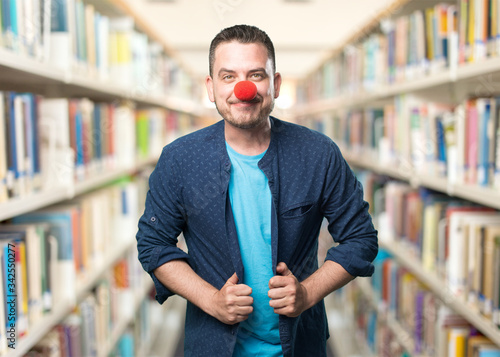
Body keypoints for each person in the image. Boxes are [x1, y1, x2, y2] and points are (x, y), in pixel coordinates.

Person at [136, 24, 378, 357]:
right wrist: (211, 300)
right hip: (213, 347)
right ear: (210, 88)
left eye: (256, 75)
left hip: (299, 347)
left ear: (275, 84)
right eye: (227, 76)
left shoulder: (318, 153)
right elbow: (153, 244)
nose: (244, 89)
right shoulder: (180, 159)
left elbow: (360, 239)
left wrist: (307, 293)